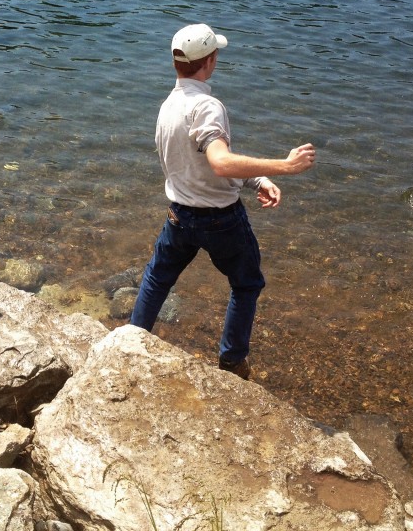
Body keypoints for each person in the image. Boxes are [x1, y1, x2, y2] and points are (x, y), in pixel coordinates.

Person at [129, 23, 315, 379]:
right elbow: (219, 162)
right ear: (210, 60)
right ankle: (231, 361)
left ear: (176, 63)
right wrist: (285, 166)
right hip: (219, 220)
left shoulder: (169, 106)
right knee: (247, 284)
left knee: (157, 278)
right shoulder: (207, 106)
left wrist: (257, 179)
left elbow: (197, 164)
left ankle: (132, 339)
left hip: (179, 216)